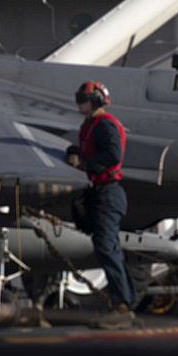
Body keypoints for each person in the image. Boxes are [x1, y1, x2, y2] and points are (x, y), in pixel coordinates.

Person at [65, 80, 136, 319]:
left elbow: (113, 155)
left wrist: (85, 164)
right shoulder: (90, 125)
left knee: (107, 248)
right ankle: (124, 301)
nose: (79, 103)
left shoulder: (104, 124)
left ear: (95, 100)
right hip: (98, 192)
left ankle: (122, 305)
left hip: (108, 192)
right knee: (108, 248)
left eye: (82, 98)